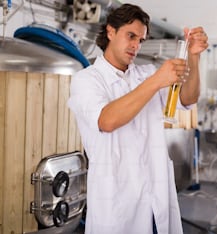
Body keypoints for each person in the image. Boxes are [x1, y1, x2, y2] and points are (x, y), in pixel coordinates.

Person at [68, 3, 208, 234]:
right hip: (118, 201)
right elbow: (107, 121)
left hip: (156, 195)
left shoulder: (146, 73)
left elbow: (187, 98)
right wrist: (156, 81)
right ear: (111, 32)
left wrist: (193, 58)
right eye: (130, 36)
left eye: (140, 40)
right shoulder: (86, 79)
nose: (135, 45)